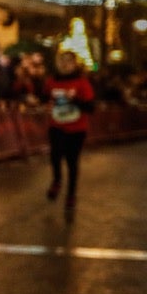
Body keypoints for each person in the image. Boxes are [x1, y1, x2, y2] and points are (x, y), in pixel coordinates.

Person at [44, 49, 94, 211]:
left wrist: (75, 100)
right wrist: (46, 103)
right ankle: (57, 181)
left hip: (76, 129)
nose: (65, 64)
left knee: (72, 161)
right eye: (62, 61)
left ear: (74, 64)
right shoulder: (51, 81)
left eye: (68, 61)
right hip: (56, 125)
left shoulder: (82, 82)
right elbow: (44, 97)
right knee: (55, 155)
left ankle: (71, 194)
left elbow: (91, 107)